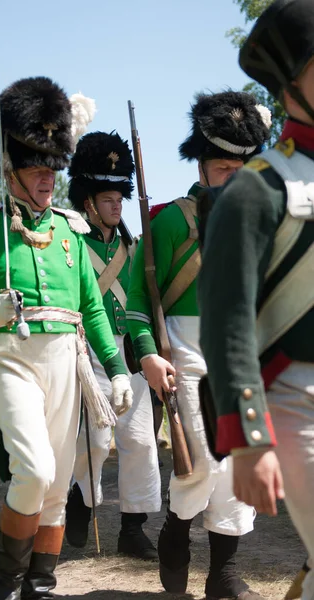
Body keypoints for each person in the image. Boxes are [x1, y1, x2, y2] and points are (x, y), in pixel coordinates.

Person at [0, 77, 133, 600]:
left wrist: (115, 368)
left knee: (55, 484)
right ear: (9, 169)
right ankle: (5, 587)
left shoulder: (71, 230)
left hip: (63, 360)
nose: (47, 177)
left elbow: (91, 308)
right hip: (6, 359)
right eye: (35, 166)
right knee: (34, 470)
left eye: (52, 166)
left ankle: (40, 586)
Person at [126, 91, 271, 599]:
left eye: (241, 167)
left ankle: (224, 574)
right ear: (203, 167)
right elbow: (137, 303)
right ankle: (176, 529)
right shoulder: (169, 222)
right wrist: (146, 351)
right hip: (184, 353)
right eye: (223, 166)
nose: (233, 177)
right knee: (205, 460)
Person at [197, 2, 314, 600]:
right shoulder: (257, 189)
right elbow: (229, 318)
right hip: (293, 396)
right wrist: (248, 438)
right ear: (290, 82)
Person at [65, 131, 161, 560]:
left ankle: (133, 527)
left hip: (129, 353)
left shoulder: (133, 247)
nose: (116, 207)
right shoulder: (70, 242)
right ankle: (80, 501)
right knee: (96, 442)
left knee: (140, 441)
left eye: (120, 200)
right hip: (85, 350)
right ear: (87, 201)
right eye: (108, 199)